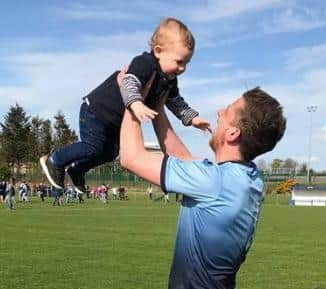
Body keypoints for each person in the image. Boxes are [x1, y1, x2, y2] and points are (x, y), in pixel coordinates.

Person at [119, 86, 286, 288]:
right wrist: (158, 108)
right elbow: (185, 162)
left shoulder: (213, 181)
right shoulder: (248, 178)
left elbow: (131, 157)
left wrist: (133, 99)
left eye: (227, 111)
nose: (219, 112)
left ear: (233, 133)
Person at [39, 17, 210, 195]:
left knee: (110, 153)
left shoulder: (169, 80)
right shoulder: (145, 63)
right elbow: (129, 82)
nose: (182, 68)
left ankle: (77, 169)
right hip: (97, 112)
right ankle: (55, 159)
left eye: (186, 63)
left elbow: (175, 101)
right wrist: (135, 103)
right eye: (179, 61)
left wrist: (193, 119)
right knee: (94, 146)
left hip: (114, 122)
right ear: (158, 51)